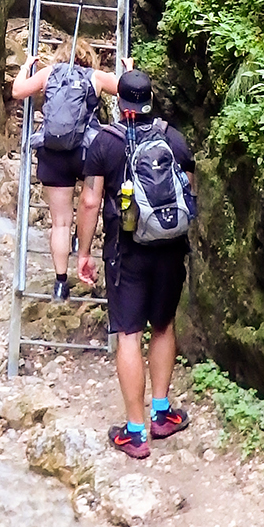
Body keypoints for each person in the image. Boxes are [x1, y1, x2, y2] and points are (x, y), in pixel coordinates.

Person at [76, 69, 195, 459]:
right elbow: (188, 193)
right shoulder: (174, 139)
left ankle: (135, 432)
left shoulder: (105, 144)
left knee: (129, 333)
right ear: (150, 101)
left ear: (119, 102)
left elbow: (91, 201)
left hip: (126, 252)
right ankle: (163, 414)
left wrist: (84, 253)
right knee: (163, 325)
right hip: (170, 248)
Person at [11, 39, 124, 300]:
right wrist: (126, 70)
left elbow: (17, 91)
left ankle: (60, 283)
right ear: (90, 57)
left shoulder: (49, 73)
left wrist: (26, 66)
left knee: (60, 222)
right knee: (89, 203)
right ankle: (83, 250)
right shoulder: (95, 76)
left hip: (53, 152)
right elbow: (127, 91)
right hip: (87, 153)